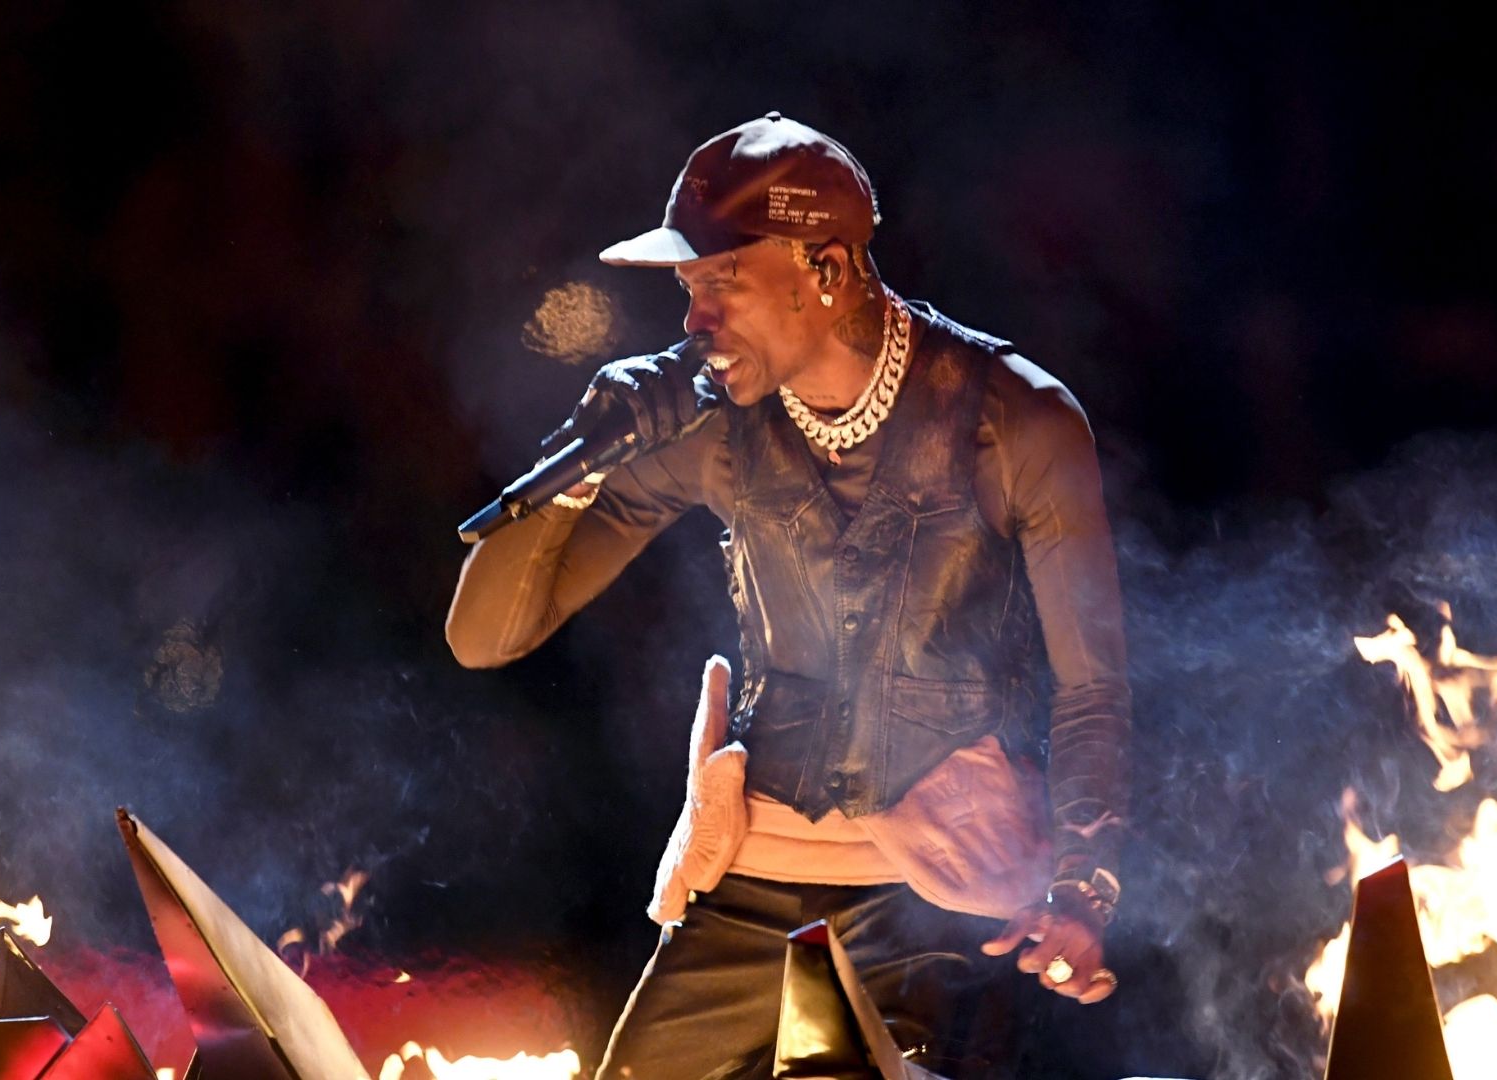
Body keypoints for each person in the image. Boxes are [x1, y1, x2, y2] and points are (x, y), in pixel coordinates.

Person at [446, 112, 1132, 1079]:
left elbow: (1092, 689)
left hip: (942, 895)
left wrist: (1082, 886)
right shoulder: (708, 424)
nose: (695, 320)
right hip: (747, 890)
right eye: (688, 289)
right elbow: (482, 637)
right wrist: (584, 460)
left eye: (720, 282)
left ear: (828, 270)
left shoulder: (1017, 419)